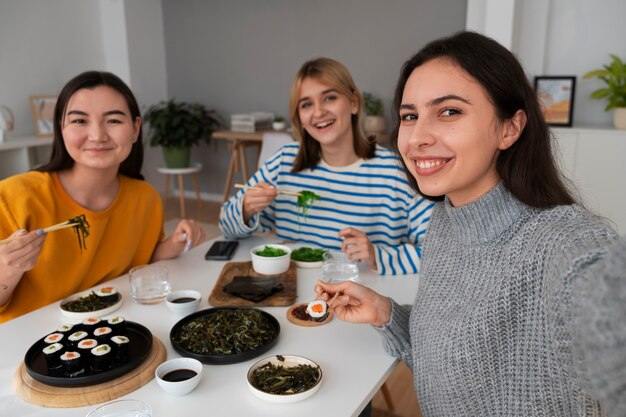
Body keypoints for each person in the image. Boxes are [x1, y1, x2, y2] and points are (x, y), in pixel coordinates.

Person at [315, 31, 625, 416]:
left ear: (509, 128)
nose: (417, 138)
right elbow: (449, 365)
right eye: (410, 116)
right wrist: (386, 314)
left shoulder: (563, 243)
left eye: (449, 111)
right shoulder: (445, 219)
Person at [0, 71, 205, 323]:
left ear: (135, 129)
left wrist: (174, 242)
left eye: (113, 121)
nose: (97, 135)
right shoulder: (12, 198)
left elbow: (139, 264)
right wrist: (6, 269)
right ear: (61, 129)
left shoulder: (145, 198)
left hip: (114, 331)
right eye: (79, 121)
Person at [219, 58, 433, 275]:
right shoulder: (284, 163)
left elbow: (438, 251)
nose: (318, 112)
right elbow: (226, 226)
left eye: (329, 98)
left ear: (354, 103)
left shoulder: (396, 171)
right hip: (293, 293)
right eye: (306, 104)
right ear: (300, 117)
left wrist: (377, 255)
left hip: (360, 296)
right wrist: (246, 208)